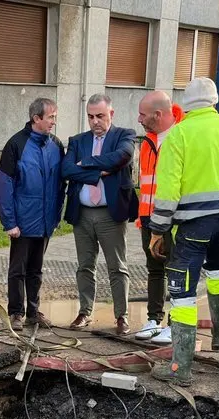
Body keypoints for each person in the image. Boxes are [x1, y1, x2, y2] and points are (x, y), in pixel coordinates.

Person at [148, 77, 219, 386]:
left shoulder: (179, 135)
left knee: (182, 291)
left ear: (186, 104)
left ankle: (181, 368)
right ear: (214, 101)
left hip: (194, 226)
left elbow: (167, 191)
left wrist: (158, 230)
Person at [61, 94, 138, 333]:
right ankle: (84, 312)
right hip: (82, 213)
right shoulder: (77, 140)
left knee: (117, 266)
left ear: (111, 114)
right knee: (85, 266)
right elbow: (67, 169)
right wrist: (98, 173)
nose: (95, 121)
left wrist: (86, 163)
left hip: (110, 214)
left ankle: (121, 317)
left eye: (100, 116)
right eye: (91, 116)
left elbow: (122, 157)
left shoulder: (124, 135)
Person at [0, 97, 66, 330]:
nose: (54, 121)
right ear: (36, 118)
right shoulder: (16, 144)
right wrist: (9, 222)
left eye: (55, 116)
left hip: (45, 221)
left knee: (36, 269)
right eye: (51, 117)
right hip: (23, 222)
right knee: (18, 269)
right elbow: (4, 185)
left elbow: (59, 185)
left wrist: (55, 216)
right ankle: (16, 312)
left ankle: (34, 312)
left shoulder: (56, 145)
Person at [135, 91, 185, 345]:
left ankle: (175, 323)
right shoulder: (147, 141)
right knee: (154, 269)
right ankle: (154, 319)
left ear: (158, 114)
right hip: (149, 217)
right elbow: (147, 183)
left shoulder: (182, 136)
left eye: (143, 115)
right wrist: (143, 216)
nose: (139, 119)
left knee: (176, 269)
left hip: (175, 219)